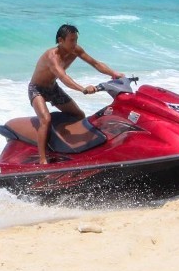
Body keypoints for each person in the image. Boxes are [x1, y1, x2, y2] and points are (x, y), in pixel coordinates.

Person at [28, 23, 123, 165]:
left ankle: (65, 144)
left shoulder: (75, 50)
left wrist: (114, 73)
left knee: (79, 115)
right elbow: (64, 77)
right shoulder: (51, 57)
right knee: (45, 120)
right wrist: (82, 89)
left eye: (76, 40)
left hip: (52, 88)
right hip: (37, 89)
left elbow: (95, 63)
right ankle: (42, 159)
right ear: (60, 40)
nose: (75, 44)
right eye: (71, 40)